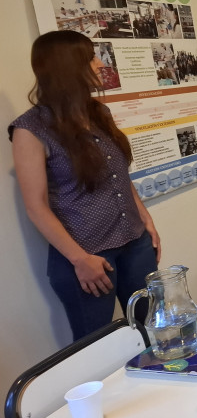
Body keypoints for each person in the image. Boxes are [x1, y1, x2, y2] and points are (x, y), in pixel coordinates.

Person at [9, 30, 161, 342]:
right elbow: (36, 207)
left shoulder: (98, 113)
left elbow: (119, 175)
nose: (98, 63)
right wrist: (80, 259)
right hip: (88, 257)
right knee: (96, 347)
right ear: (68, 66)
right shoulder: (30, 129)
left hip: (135, 242)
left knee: (153, 330)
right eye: (91, 57)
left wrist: (146, 220)